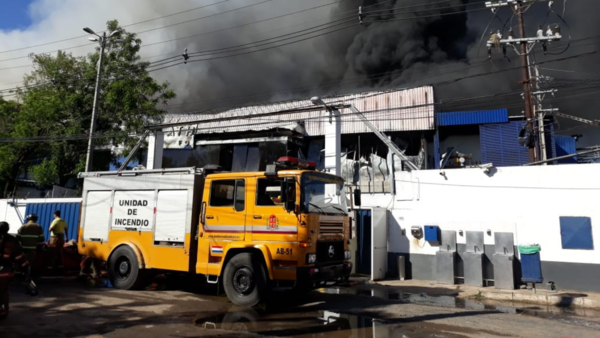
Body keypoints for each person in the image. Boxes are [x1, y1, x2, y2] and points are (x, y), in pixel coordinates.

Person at [0, 221, 31, 319]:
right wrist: (25, 268)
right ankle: (3, 312)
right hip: (5, 272)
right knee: (3, 292)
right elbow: (19, 257)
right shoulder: (13, 241)